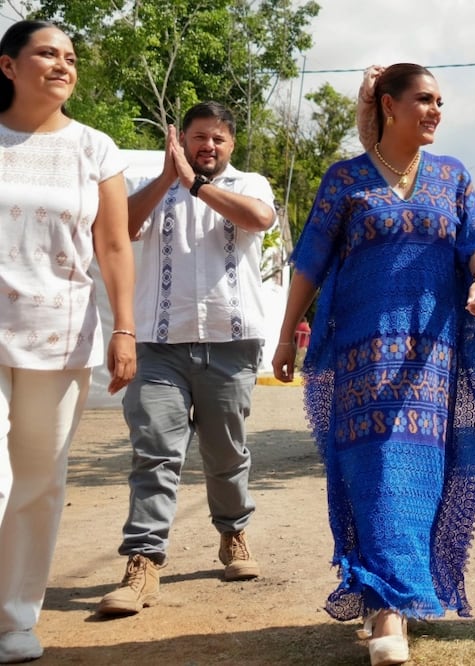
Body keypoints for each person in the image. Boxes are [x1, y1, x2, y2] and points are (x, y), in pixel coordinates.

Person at [270, 62, 475, 666]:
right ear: (389, 105)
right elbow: (310, 261)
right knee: (375, 475)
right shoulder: (345, 180)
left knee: (420, 475)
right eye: (423, 99)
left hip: (431, 355)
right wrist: (287, 337)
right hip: (363, 358)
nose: (434, 111)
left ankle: (390, 598)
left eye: (440, 102)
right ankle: (389, 612)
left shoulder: (453, 177)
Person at [97, 101, 276, 616]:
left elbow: (258, 219)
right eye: (199, 137)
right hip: (160, 345)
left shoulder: (250, 184)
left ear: (231, 144)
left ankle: (233, 534)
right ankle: (143, 561)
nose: (208, 146)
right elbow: (119, 229)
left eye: (218, 138)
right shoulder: (149, 189)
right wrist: (166, 178)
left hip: (230, 341)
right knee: (154, 453)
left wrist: (196, 185)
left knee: (226, 455)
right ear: (181, 141)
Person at [0, 20, 136, 663]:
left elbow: (113, 246)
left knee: (37, 482)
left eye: (70, 57)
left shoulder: (95, 148)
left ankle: (15, 620)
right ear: (8, 66)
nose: (62, 65)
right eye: (46, 54)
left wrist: (125, 329)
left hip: (59, 334)